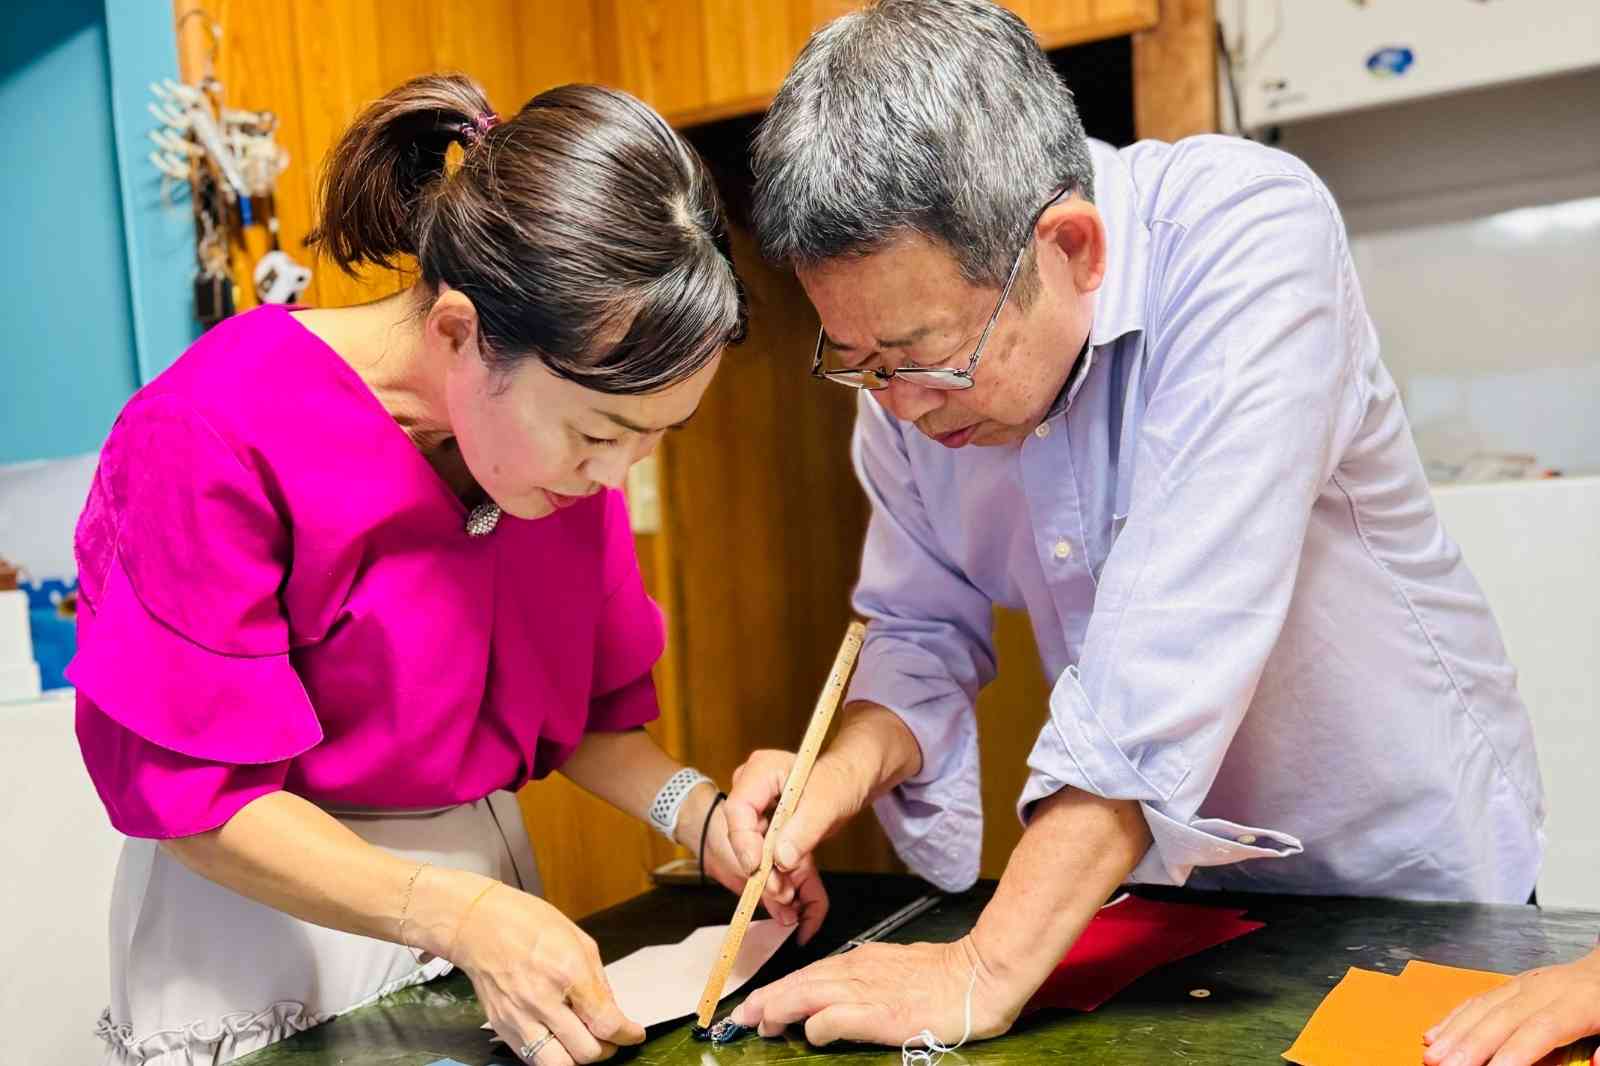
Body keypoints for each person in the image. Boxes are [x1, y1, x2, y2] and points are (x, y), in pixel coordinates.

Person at [721, 0, 1545, 1049]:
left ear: (1070, 246)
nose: (901, 403)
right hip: (1168, 899)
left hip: (1401, 872)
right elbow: (920, 629)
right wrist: (835, 777)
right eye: (860, 360)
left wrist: (982, 966)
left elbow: (1164, 653)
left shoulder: (1243, 237)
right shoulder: (905, 378)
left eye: (924, 357)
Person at [72, 74, 755, 1066]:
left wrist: (699, 814)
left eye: (655, 437)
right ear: (458, 332)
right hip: (267, 924)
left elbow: (591, 718)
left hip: (476, 916)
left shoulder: (554, 470)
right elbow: (200, 800)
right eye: (598, 433)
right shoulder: (213, 429)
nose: (614, 476)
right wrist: (454, 913)